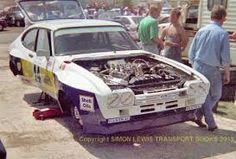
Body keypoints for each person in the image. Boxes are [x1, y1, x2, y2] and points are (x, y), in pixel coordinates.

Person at [188, 5, 231, 131]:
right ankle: (210, 123)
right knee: (216, 94)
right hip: (212, 68)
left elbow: (192, 50)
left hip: (197, 65)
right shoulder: (222, 34)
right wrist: (227, 74)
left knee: (204, 94)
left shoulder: (201, 30)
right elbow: (226, 57)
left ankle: (198, 115)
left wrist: (192, 65)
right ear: (222, 17)